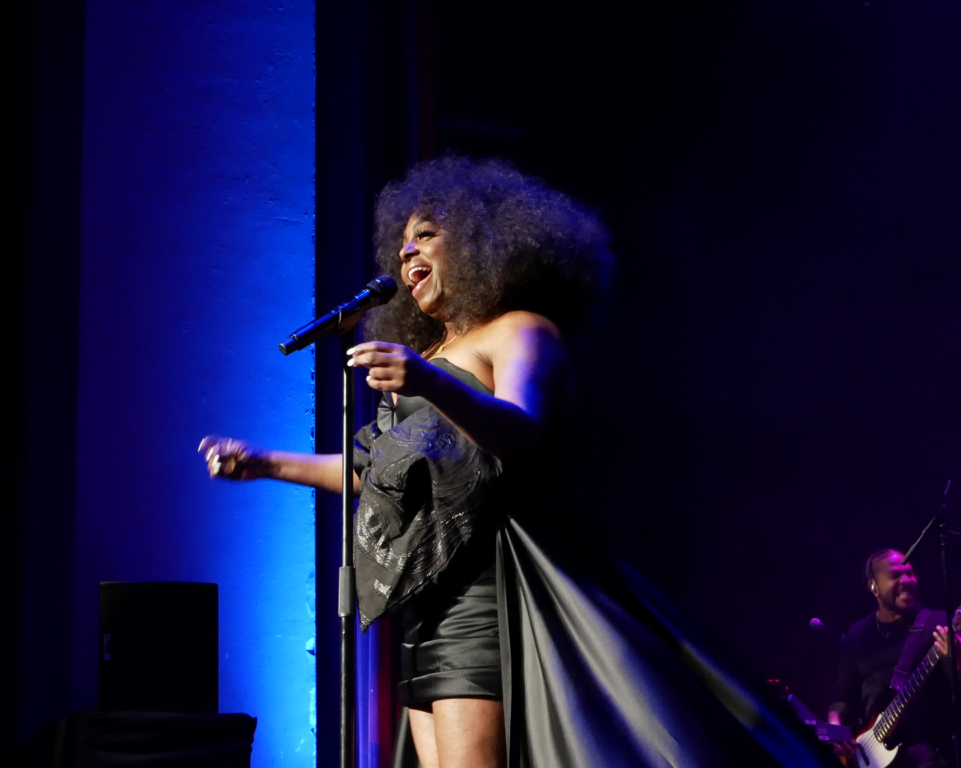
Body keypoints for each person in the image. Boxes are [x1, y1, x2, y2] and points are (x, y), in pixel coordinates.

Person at [200, 157, 838, 768]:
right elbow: (377, 478)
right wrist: (263, 463)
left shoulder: (519, 331)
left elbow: (523, 434)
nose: (405, 253)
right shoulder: (428, 358)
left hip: (485, 594)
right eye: (401, 243)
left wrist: (428, 381)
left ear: (479, 242)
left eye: (426, 234)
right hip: (423, 604)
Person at [828, 549, 961, 768]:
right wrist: (835, 730)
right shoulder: (856, 635)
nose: (907, 581)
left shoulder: (938, 623)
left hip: (929, 750)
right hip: (870, 755)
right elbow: (841, 697)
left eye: (910, 573)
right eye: (896, 575)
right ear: (874, 587)